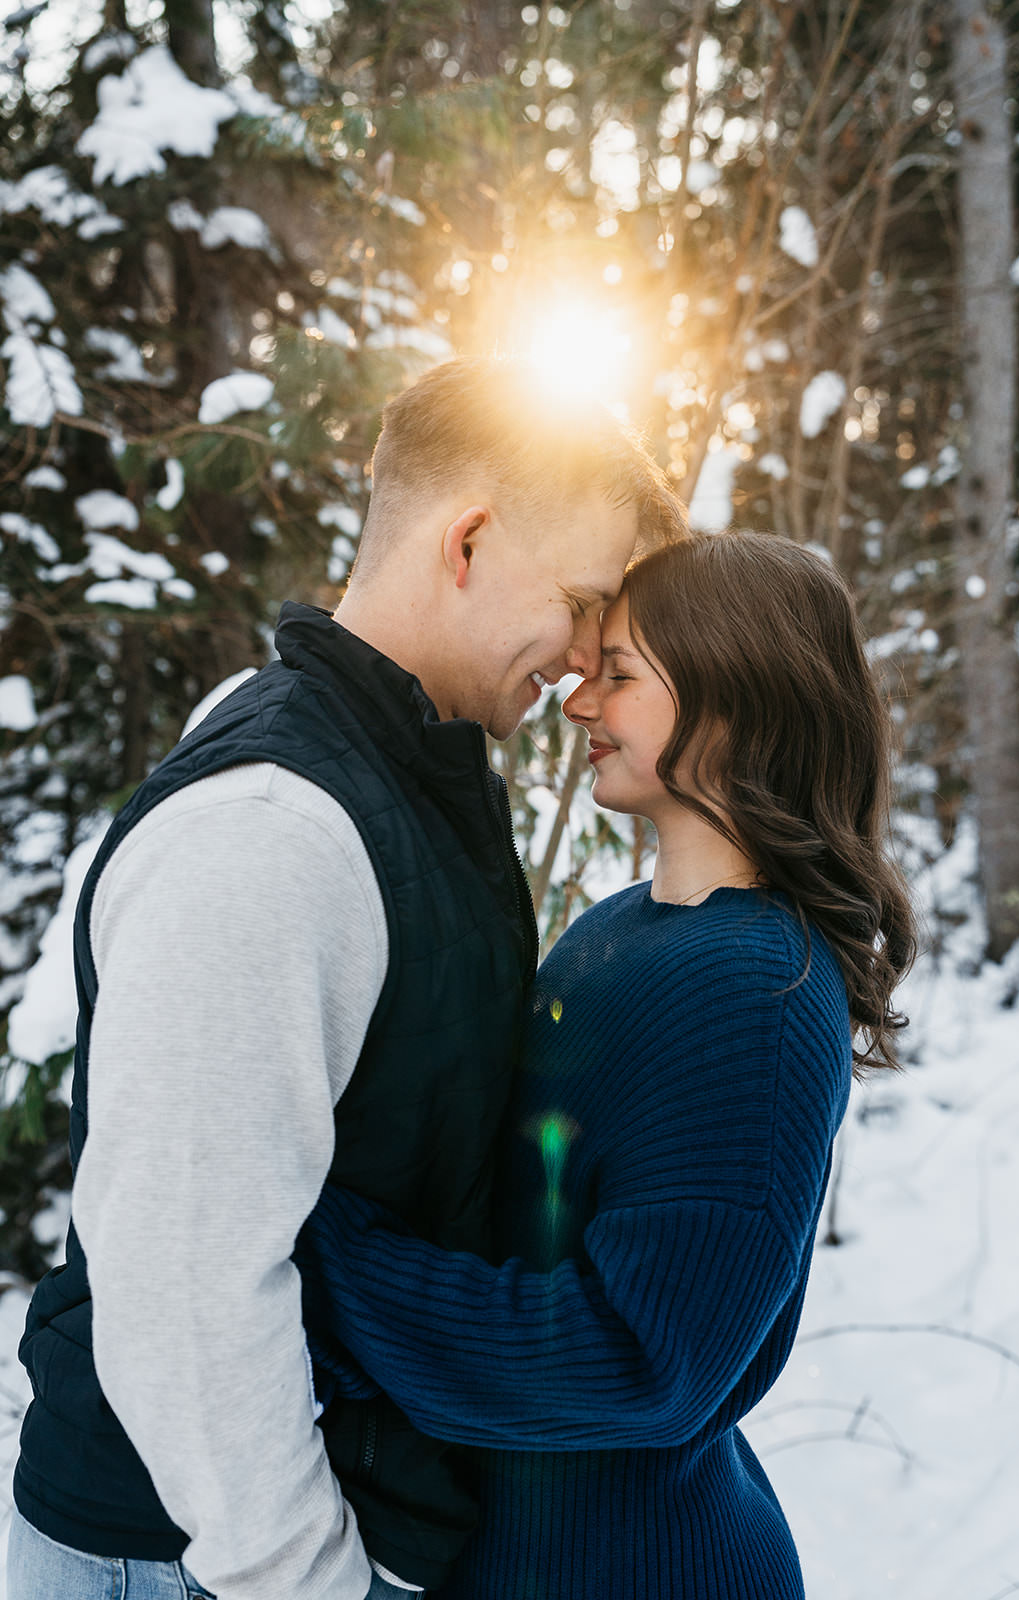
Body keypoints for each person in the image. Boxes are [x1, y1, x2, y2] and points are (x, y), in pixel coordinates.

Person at [7, 357, 689, 1600]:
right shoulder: (271, 826)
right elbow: (184, 1280)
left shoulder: (403, 779)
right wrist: (310, 1577)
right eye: (583, 601)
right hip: (198, 1561)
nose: (587, 659)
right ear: (467, 540)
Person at [297, 530, 919, 1600]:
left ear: (734, 697)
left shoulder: (753, 987)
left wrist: (319, 1253)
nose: (577, 701)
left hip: (638, 1567)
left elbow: (643, 1361)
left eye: (619, 675)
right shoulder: (623, 927)